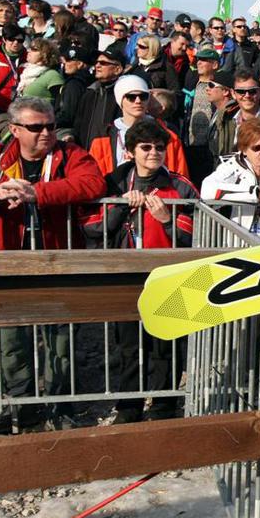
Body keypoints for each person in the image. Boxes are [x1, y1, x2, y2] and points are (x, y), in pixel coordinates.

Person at [0, 97, 105, 431]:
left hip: (58, 261)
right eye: (36, 127)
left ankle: (60, 404)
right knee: (11, 339)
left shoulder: (70, 154)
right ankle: (21, 404)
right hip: (10, 263)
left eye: (51, 126)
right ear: (15, 130)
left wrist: (37, 194)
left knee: (61, 338)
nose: (46, 133)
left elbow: (93, 182)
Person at [83, 118, 198, 424]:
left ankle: (164, 408)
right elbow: (92, 227)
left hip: (169, 276)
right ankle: (129, 408)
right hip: (127, 275)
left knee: (167, 345)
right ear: (130, 151)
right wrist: (120, 206)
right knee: (129, 346)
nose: (153, 153)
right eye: (146, 147)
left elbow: (198, 234)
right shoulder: (114, 181)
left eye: (159, 147)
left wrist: (167, 220)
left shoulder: (180, 185)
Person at [88, 74, 188, 177]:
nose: (138, 101)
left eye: (143, 96)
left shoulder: (169, 137)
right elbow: (94, 177)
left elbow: (180, 177)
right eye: (131, 97)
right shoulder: (103, 138)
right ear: (120, 101)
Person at [208, 69, 260, 157]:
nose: (247, 96)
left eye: (252, 91)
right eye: (241, 91)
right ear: (233, 93)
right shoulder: (225, 118)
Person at [73, 44, 125, 149]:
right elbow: (78, 125)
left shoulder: (124, 95)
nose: (97, 65)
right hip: (86, 152)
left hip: (111, 153)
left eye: (103, 63)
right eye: (96, 62)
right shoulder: (90, 92)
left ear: (117, 69)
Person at [182, 48, 220, 185]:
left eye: (204, 60)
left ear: (214, 65)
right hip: (190, 145)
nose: (199, 63)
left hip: (210, 148)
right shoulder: (191, 83)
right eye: (198, 60)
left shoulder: (219, 87)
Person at [55, 42, 94, 131]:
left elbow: (68, 114)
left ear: (80, 64)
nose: (65, 63)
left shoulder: (74, 84)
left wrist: (51, 122)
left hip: (67, 130)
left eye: (69, 61)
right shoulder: (89, 80)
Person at [0, 23, 25, 117]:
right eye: (11, 39)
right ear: (4, 39)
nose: (16, 43)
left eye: (20, 40)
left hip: (20, 107)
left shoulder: (29, 58)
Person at [16, 38, 63, 103]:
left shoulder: (52, 75)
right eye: (30, 48)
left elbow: (60, 102)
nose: (29, 51)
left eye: (34, 49)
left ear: (45, 54)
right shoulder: (26, 72)